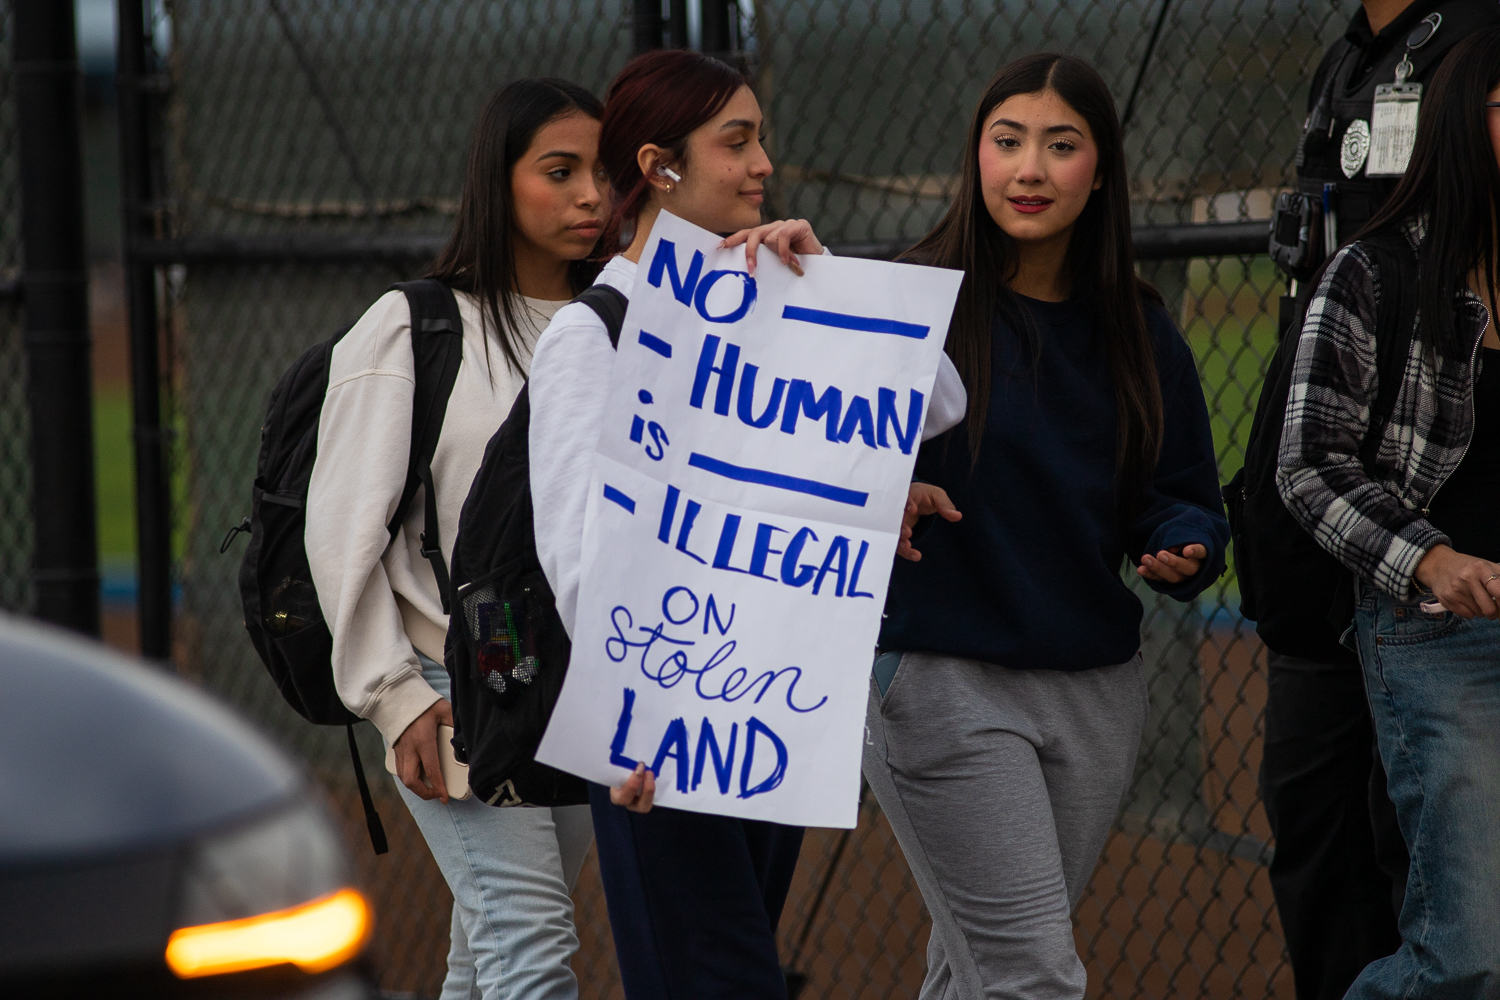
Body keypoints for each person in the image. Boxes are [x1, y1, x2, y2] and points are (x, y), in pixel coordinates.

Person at [526, 49, 966, 1000]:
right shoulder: (590, 331)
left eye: (761, 136)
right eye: (738, 141)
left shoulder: (770, 294)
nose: (764, 161)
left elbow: (938, 400)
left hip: (766, 717)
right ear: (660, 165)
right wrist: (628, 719)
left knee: (729, 965)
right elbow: (575, 555)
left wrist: (819, 279)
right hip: (658, 730)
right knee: (721, 978)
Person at [866, 53, 1229, 998]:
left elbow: (1180, 490)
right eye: (1007, 140)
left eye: (1061, 146)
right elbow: (810, 454)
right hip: (942, 682)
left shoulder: (1143, 333)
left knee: (978, 970)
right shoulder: (904, 307)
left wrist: (1182, 541)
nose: (1029, 169)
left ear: (1100, 170)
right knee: (1032, 975)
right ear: (975, 155)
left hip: (1095, 693)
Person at [306, 78, 607, 1000]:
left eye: (603, 172)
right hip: (451, 683)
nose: (592, 194)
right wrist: (396, 698)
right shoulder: (417, 325)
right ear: (498, 181)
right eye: (560, 171)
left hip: (578, 688)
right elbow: (342, 528)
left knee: (485, 956)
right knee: (532, 944)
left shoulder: (627, 327)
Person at [1257, 4, 1499, 995]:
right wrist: (1429, 559)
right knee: (1464, 947)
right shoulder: (1381, 270)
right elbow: (1308, 461)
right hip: (1421, 623)